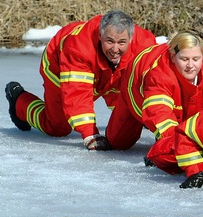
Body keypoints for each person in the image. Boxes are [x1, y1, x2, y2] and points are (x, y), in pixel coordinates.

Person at [5, 10, 156, 150]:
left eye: (121, 42)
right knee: (58, 127)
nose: (115, 49)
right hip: (60, 69)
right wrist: (90, 134)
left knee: (127, 104)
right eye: (110, 41)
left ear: (131, 38)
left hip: (109, 74)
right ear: (100, 36)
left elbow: (156, 83)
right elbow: (77, 94)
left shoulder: (145, 46)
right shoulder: (78, 49)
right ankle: (19, 101)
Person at [104, 31, 203, 171]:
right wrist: (184, 147)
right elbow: (159, 115)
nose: (191, 65)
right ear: (173, 57)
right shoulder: (159, 74)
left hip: (185, 99)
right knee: (118, 142)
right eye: (184, 59)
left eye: (196, 59)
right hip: (134, 91)